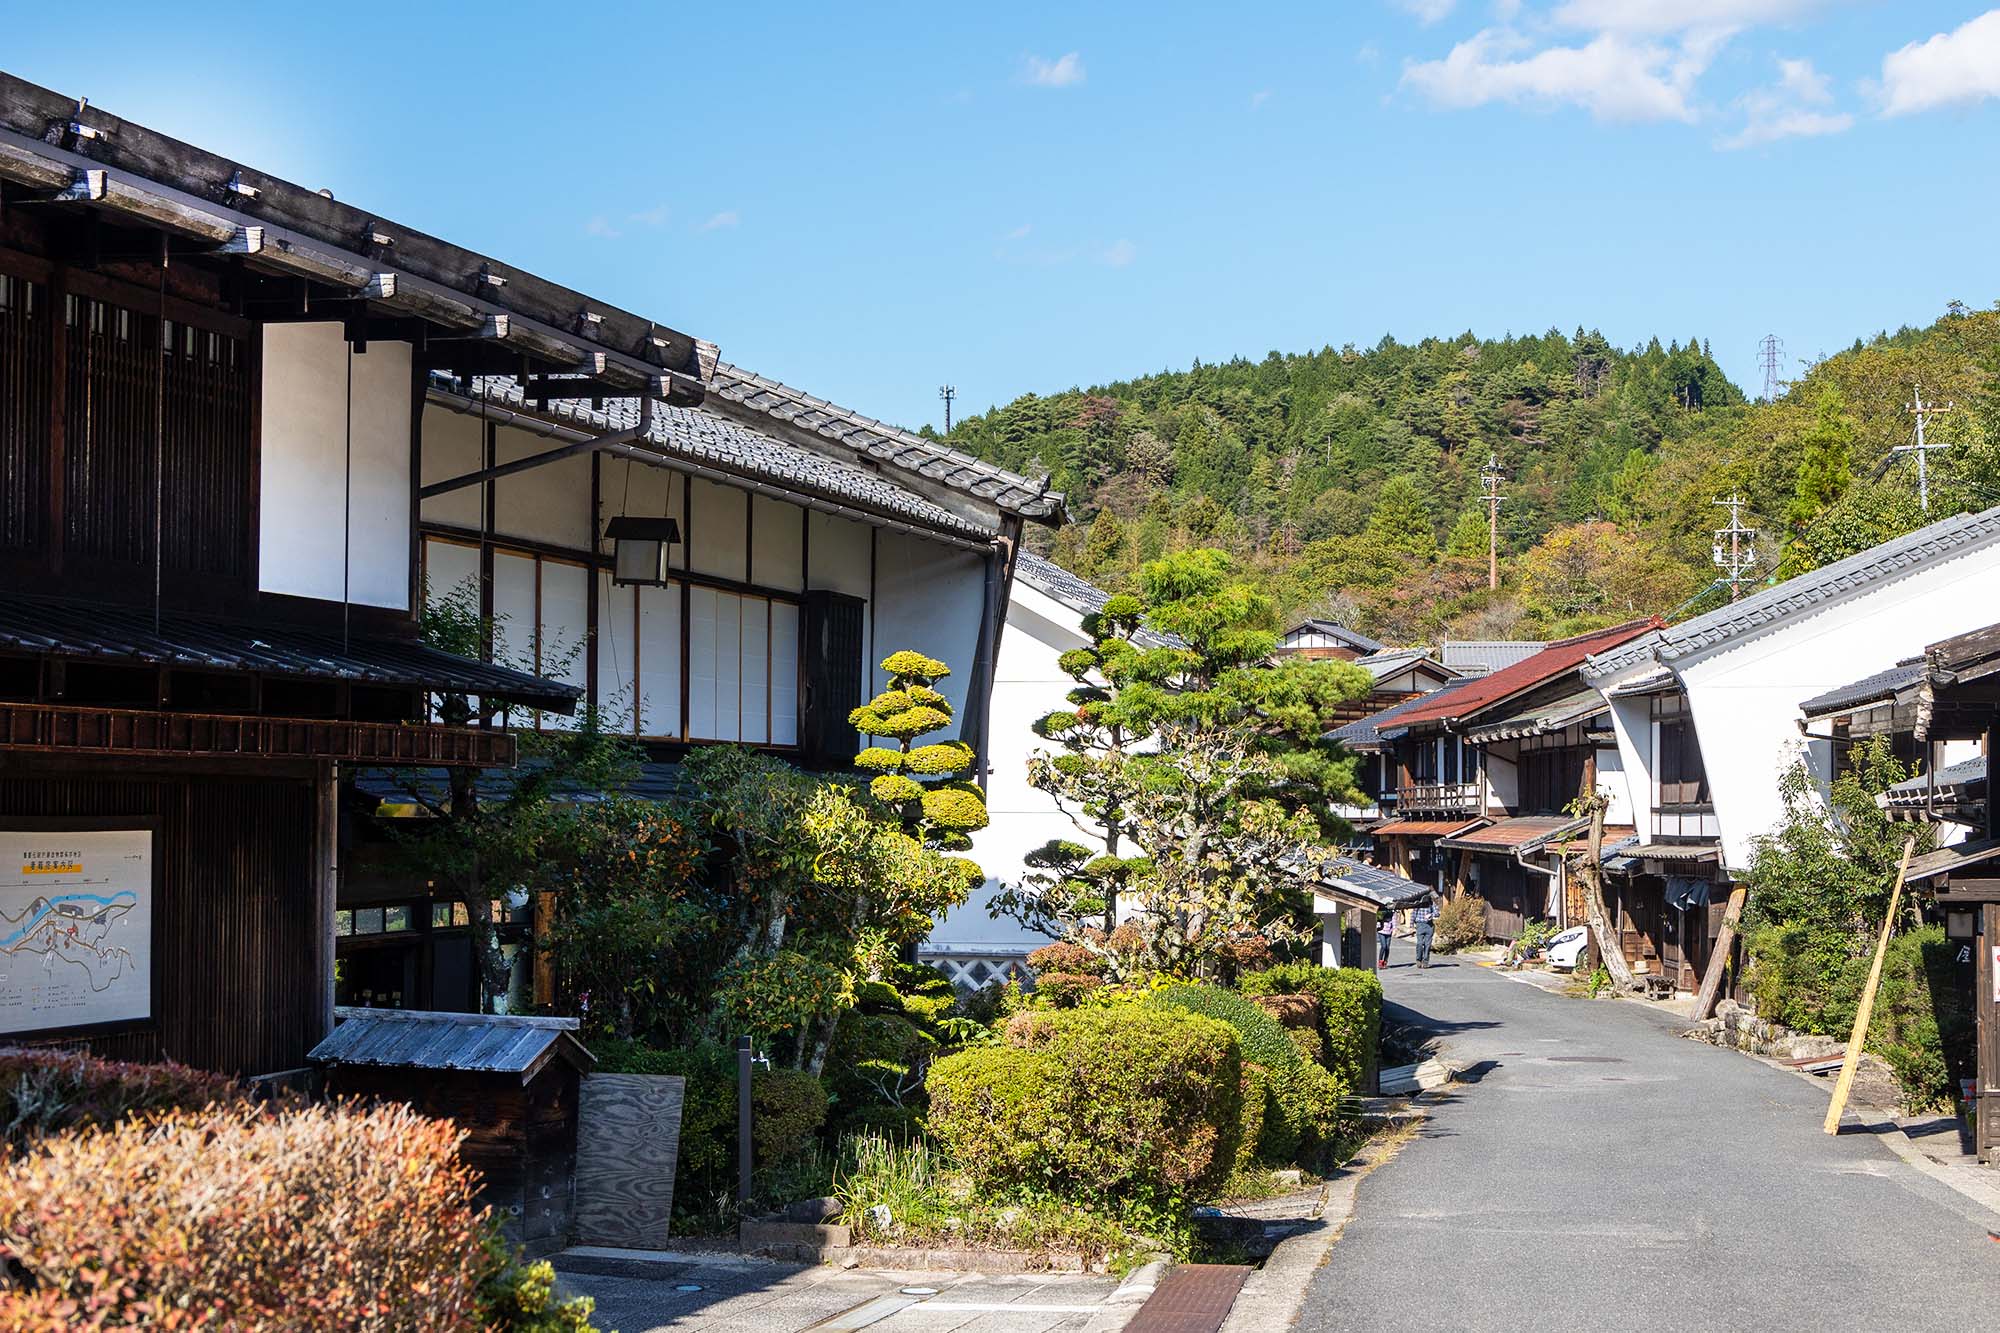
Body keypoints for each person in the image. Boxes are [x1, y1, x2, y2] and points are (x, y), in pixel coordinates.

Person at [1412, 892, 1438, 968]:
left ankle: (1425, 961)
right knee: (1419, 943)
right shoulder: (1418, 904)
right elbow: (1413, 914)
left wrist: (1431, 914)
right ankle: (1418, 959)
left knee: (1428, 945)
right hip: (1420, 924)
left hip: (1429, 926)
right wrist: (1411, 925)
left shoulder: (1431, 904)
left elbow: (1437, 913)